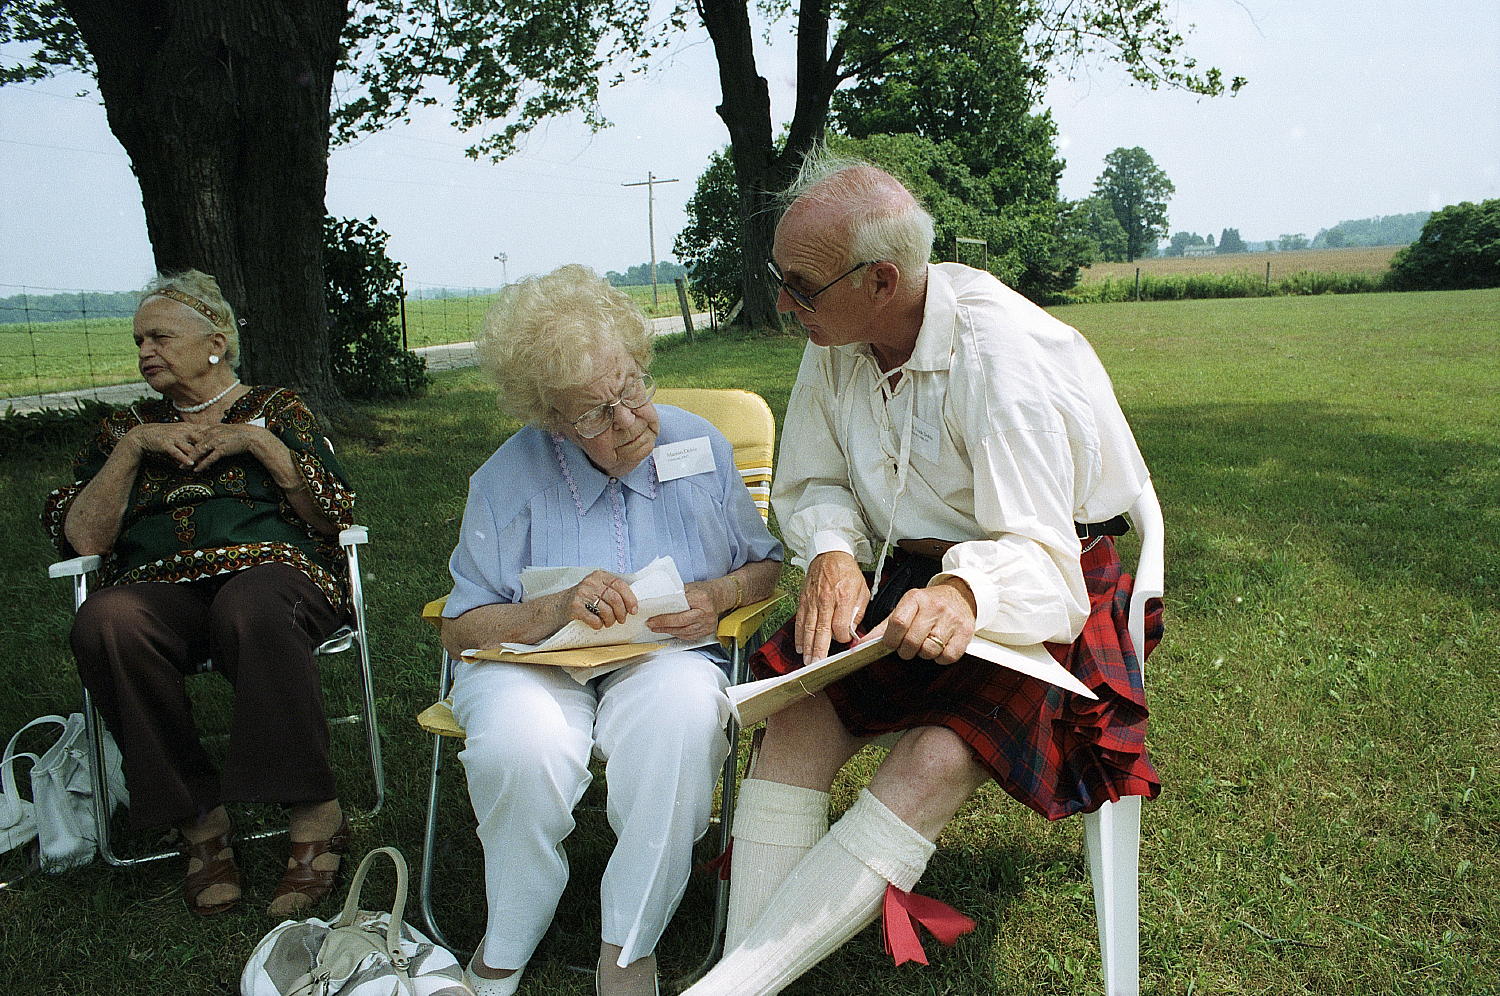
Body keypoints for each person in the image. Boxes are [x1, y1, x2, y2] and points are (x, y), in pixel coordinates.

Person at [684, 154, 1163, 994]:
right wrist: (831, 547)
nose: (784, 301)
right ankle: (739, 976)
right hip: (907, 572)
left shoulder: (1000, 356)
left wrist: (964, 590)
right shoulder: (839, 333)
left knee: (938, 757)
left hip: (1044, 584)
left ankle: (728, 990)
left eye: (799, 284)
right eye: (779, 277)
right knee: (793, 726)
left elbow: (1043, 552)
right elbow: (816, 480)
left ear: (880, 279)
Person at [439, 265, 783, 996]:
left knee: (686, 721)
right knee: (518, 746)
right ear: (552, 420)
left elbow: (765, 569)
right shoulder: (505, 478)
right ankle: (510, 932)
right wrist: (554, 606)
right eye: (595, 415)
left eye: (630, 389)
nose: (629, 421)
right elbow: (461, 629)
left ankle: (628, 943)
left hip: (664, 655)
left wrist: (718, 593)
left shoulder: (702, 448)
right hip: (530, 662)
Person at [41, 270, 359, 918]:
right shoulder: (125, 428)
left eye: (159, 336)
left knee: (251, 606)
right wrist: (133, 450)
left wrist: (257, 442)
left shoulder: (278, 408)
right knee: (106, 622)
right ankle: (198, 826)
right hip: (159, 592)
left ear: (215, 343)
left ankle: (313, 812)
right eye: (138, 341)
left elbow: (334, 513)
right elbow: (79, 537)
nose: (144, 352)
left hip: (275, 575)